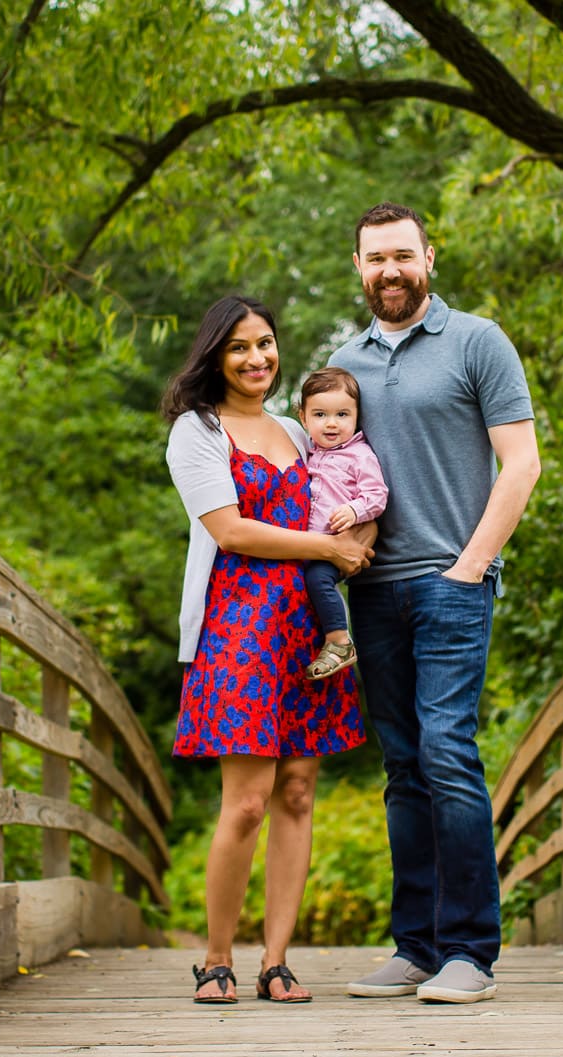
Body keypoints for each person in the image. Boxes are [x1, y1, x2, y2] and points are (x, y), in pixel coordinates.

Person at [333, 203, 542, 1004]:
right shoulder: (343, 360)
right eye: (374, 258)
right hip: (374, 590)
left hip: (454, 581)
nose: (389, 270)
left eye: (402, 256)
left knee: (448, 752)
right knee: (402, 766)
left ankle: (469, 953)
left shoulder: (477, 341)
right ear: (358, 267)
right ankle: (415, 945)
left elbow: (520, 464)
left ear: (429, 258)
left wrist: (471, 566)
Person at [162, 294, 373, 1006]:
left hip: (305, 628)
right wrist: (329, 547)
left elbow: (355, 493)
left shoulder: (295, 426)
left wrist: (356, 542)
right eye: (240, 347)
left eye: (266, 343)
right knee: (247, 800)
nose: (258, 358)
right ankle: (214, 956)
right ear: (215, 356)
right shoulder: (196, 431)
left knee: (298, 790)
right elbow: (232, 531)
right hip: (238, 627)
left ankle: (275, 960)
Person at [295, 366, 388, 680]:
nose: (331, 423)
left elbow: (377, 494)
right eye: (320, 415)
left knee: (318, 580)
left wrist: (355, 510)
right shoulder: (307, 453)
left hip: (335, 545)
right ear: (303, 418)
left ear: (356, 417)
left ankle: (339, 642)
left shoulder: (359, 455)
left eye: (342, 415)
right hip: (306, 545)